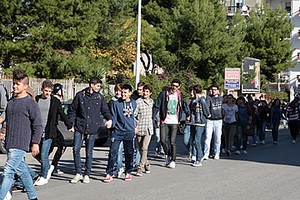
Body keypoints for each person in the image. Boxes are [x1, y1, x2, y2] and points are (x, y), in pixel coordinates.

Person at [0, 69, 43, 200]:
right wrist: (3, 132)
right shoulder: (12, 102)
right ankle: (33, 197)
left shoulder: (30, 103)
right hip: (9, 142)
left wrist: (35, 143)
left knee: (8, 172)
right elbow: (5, 118)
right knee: (23, 172)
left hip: (21, 143)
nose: (14, 86)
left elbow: (38, 124)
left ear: (25, 86)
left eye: (17, 84)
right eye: (14, 83)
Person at [69, 77, 112, 184]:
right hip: (79, 126)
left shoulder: (99, 98)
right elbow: (72, 110)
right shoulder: (80, 95)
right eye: (97, 86)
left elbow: (105, 110)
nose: (99, 88)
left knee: (89, 152)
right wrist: (71, 124)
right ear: (91, 85)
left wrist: (109, 119)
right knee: (75, 149)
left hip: (92, 128)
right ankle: (78, 172)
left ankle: (87, 174)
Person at [34, 80, 72, 186]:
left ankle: (44, 175)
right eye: (46, 91)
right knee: (35, 153)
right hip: (37, 131)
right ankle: (47, 166)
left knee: (44, 154)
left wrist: (69, 125)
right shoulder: (36, 99)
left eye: (50, 91)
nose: (47, 93)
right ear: (42, 90)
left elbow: (62, 114)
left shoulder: (55, 101)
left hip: (49, 131)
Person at [153, 78, 190, 168]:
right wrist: (153, 115)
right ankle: (168, 154)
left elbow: (184, 106)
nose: (174, 87)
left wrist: (188, 114)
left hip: (174, 121)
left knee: (172, 141)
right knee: (162, 140)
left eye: (176, 86)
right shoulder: (164, 94)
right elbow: (157, 105)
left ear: (179, 87)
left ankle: (173, 160)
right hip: (164, 120)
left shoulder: (180, 95)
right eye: (173, 85)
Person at [104, 84, 137, 182]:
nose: (122, 94)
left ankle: (128, 172)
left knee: (129, 152)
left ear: (130, 93)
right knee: (113, 152)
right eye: (122, 92)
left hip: (129, 131)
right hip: (117, 131)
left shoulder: (134, 103)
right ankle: (109, 173)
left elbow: (134, 117)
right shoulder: (116, 103)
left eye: (125, 92)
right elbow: (113, 116)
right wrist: (111, 123)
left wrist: (135, 127)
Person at [48, 83, 67, 175]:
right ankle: (52, 166)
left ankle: (49, 166)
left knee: (49, 148)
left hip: (50, 127)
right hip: (53, 128)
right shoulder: (56, 100)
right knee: (62, 145)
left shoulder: (50, 99)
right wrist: (69, 125)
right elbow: (62, 114)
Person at [189, 84, 210, 167]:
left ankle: (199, 158)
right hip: (194, 122)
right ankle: (195, 156)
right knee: (193, 140)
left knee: (197, 140)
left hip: (200, 122)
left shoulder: (202, 100)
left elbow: (206, 111)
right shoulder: (194, 100)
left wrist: (206, 115)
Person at [135, 84, 154, 176]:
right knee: (140, 149)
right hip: (139, 128)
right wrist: (135, 126)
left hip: (148, 128)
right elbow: (134, 115)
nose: (145, 93)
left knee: (144, 148)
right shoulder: (138, 102)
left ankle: (140, 167)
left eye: (147, 91)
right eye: (144, 91)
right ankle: (147, 163)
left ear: (150, 93)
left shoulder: (151, 102)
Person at [109, 83, 125, 178]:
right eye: (116, 90)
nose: (118, 92)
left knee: (119, 149)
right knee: (114, 150)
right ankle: (117, 166)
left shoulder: (125, 102)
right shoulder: (112, 101)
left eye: (119, 91)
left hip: (123, 129)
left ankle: (119, 167)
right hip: (114, 128)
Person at [203, 84, 223, 160]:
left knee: (218, 138)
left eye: (215, 89)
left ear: (218, 90)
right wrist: (207, 114)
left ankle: (217, 153)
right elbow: (206, 107)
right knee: (208, 138)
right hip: (210, 120)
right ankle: (206, 154)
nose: (213, 91)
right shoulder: (208, 98)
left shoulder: (221, 99)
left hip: (219, 120)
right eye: (212, 90)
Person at [183, 86, 196, 162]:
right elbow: (186, 110)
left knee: (194, 139)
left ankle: (193, 154)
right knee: (186, 140)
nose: (191, 93)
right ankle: (190, 150)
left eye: (193, 91)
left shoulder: (198, 100)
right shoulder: (187, 101)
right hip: (188, 122)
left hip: (195, 122)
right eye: (190, 91)